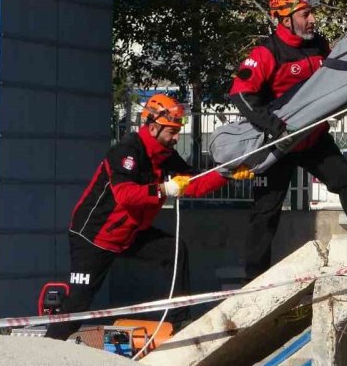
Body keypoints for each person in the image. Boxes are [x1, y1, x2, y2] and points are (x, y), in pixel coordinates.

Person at [45, 94, 253, 340]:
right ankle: (46, 349)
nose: (176, 137)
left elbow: (192, 183)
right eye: (172, 131)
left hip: (130, 232)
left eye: (178, 131)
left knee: (175, 250)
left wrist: (226, 175)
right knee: (76, 309)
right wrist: (164, 189)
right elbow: (126, 196)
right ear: (153, 127)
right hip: (94, 237)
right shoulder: (126, 152)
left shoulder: (165, 154)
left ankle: (180, 320)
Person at [228, 0, 347, 280]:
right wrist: (275, 128)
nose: (312, 20)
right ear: (284, 19)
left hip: (313, 138)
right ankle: (253, 283)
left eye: (312, 14)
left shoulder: (319, 45)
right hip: (278, 144)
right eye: (306, 14)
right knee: (265, 212)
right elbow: (241, 94)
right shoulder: (266, 53)